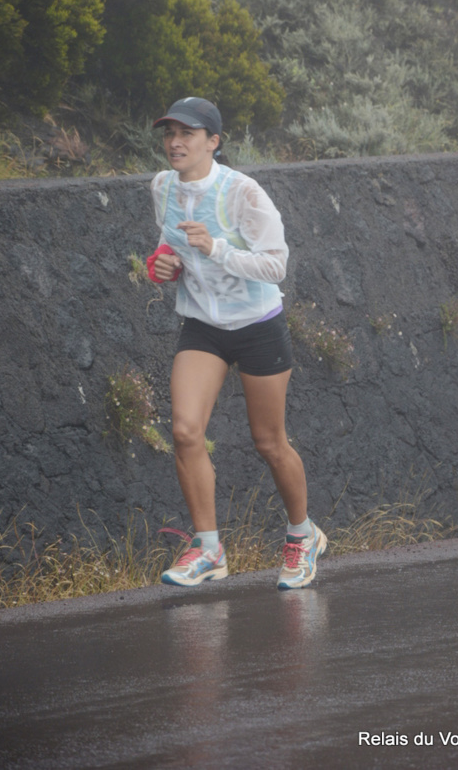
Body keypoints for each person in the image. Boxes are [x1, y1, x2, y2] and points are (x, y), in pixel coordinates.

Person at [147, 96, 327, 589]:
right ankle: (208, 549)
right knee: (185, 430)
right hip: (203, 326)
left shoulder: (243, 193)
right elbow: (170, 248)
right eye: (169, 133)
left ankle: (302, 535)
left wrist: (216, 247)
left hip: (257, 326)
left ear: (214, 141)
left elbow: (275, 266)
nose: (175, 142)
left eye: (187, 133)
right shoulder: (162, 187)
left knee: (269, 441)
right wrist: (163, 265)